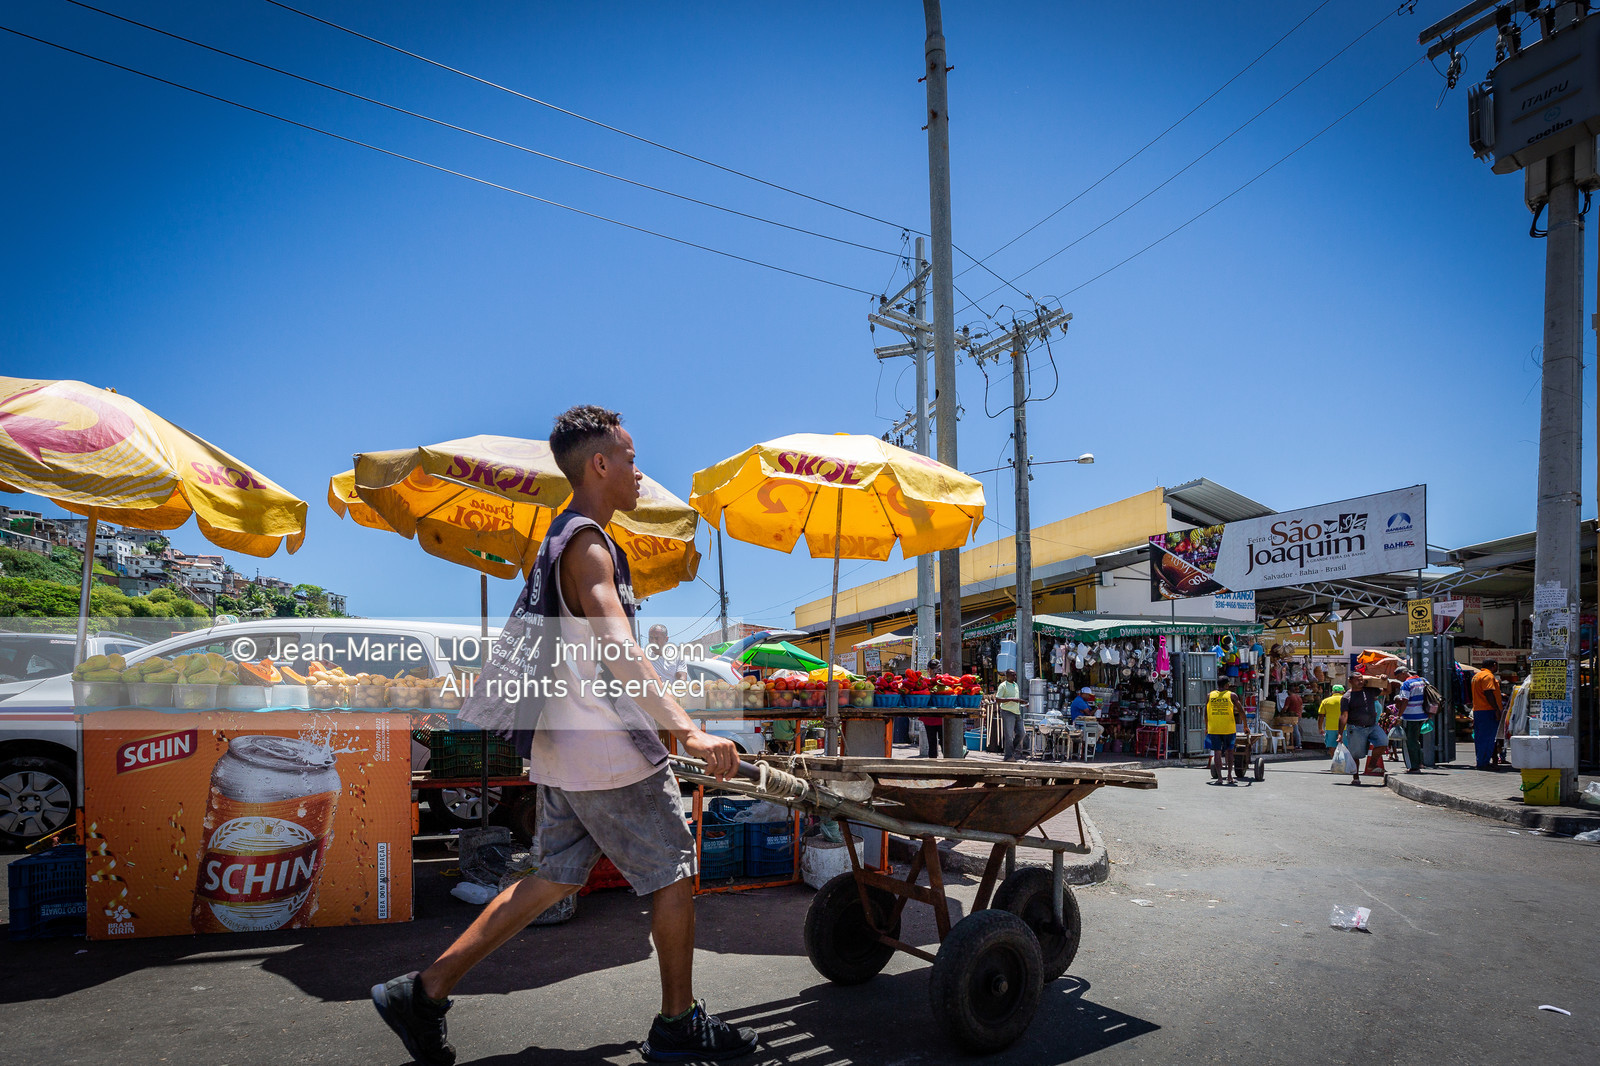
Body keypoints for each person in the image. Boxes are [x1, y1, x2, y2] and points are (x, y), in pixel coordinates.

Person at [371, 406, 756, 1065]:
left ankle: (423, 991)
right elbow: (613, 639)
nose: (638, 472)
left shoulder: (560, 539)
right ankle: (677, 1024)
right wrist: (685, 728)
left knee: (549, 877)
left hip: (559, 747)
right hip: (606, 752)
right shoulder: (590, 546)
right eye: (630, 458)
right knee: (671, 874)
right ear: (599, 464)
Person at [1339, 677, 1387, 786]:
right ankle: (1356, 777)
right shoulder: (1347, 697)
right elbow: (1344, 715)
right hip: (1356, 728)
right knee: (1356, 754)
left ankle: (1372, 764)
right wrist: (1340, 733)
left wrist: (1385, 680)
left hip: (1372, 726)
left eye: (1361, 680)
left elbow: (1387, 691)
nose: (1360, 682)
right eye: (1357, 680)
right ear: (1350, 681)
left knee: (1383, 742)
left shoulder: (1369, 691)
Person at [1205, 676, 1245, 785]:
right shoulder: (1232, 695)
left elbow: (1205, 712)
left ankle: (1219, 778)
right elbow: (1241, 711)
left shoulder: (1210, 695)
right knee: (1229, 751)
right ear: (1227, 685)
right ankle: (1229, 776)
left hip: (1214, 728)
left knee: (1217, 752)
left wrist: (1206, 727)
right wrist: (1246, 726)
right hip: (1228, 729)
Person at [1395, 665, 1431, 774]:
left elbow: (1404, 701)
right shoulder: (1424, 681)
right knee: (1416, 739)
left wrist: (1399, 715)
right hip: (1423, 714)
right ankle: (1419, 762)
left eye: (1398, 677)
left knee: (1411, 741)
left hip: (1411, 716)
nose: (1398, 680)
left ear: (1402, 673)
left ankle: (1415, 766)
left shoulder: (1406, 684)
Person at [1471, 660, 1504, 770]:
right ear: (1494, 665)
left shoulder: (1477, 676)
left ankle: (1481, 761)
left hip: (1478, 710)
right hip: (1487, 710)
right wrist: (1496, 709)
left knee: (1480, 738)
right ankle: (1483, 763)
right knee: (1488, 738)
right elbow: (1489, 693)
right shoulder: (1488, 676)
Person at [919, 658, 946, 758]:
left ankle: (933, 764)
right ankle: (948, 764)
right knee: (944, 743)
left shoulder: (925, 683)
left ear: (929, 670)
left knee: (932, 744)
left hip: (929, 717)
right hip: (942, 716)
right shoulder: (944, 682)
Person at [995, 669, 1023, 760]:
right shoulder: (1003, 686)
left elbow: (1016, 699)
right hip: (1007, 712)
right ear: (1007, 676)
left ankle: (1011, 750)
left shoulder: (1016, 685)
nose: (1015, 677)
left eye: (1015, 675)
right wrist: (1011, 699)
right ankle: (1008, 756)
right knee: (1009, 736)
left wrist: (1022, 702)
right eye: (1012, 675)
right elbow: (998, 699)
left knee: (1022, 733)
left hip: (1017, 712)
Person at [1318, 684, 1345, 756]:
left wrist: (1320, 728)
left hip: (1330, 727)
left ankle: (1335, 761)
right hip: (1344, 727)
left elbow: (1321, 716)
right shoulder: (1346, 700)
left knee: (1332, 747)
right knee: (1345, 746)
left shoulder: (1325, 701)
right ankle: (1344, 763)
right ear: (1343, 692)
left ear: (1332, 692)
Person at [1279, 685, 1304, 751]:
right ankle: (1293, 743)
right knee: (1296, 730)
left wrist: (1281, 712)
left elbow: (1285, 707)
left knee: (1294, 730)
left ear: (1289, 691)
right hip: (1299, 715)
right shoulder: (1299, 698)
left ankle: (1298, 744)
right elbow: (1301, 707)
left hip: (1292, 716)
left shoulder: (1289, 698)